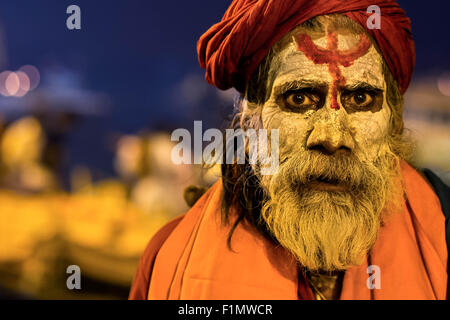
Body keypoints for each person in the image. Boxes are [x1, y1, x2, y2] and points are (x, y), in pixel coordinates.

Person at [130, 0, 449, 300]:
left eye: (361, 98)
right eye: (299, 98)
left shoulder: (441, 230)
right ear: (251, 119)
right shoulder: (168, 257)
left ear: (394, 121)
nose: (332, 137)